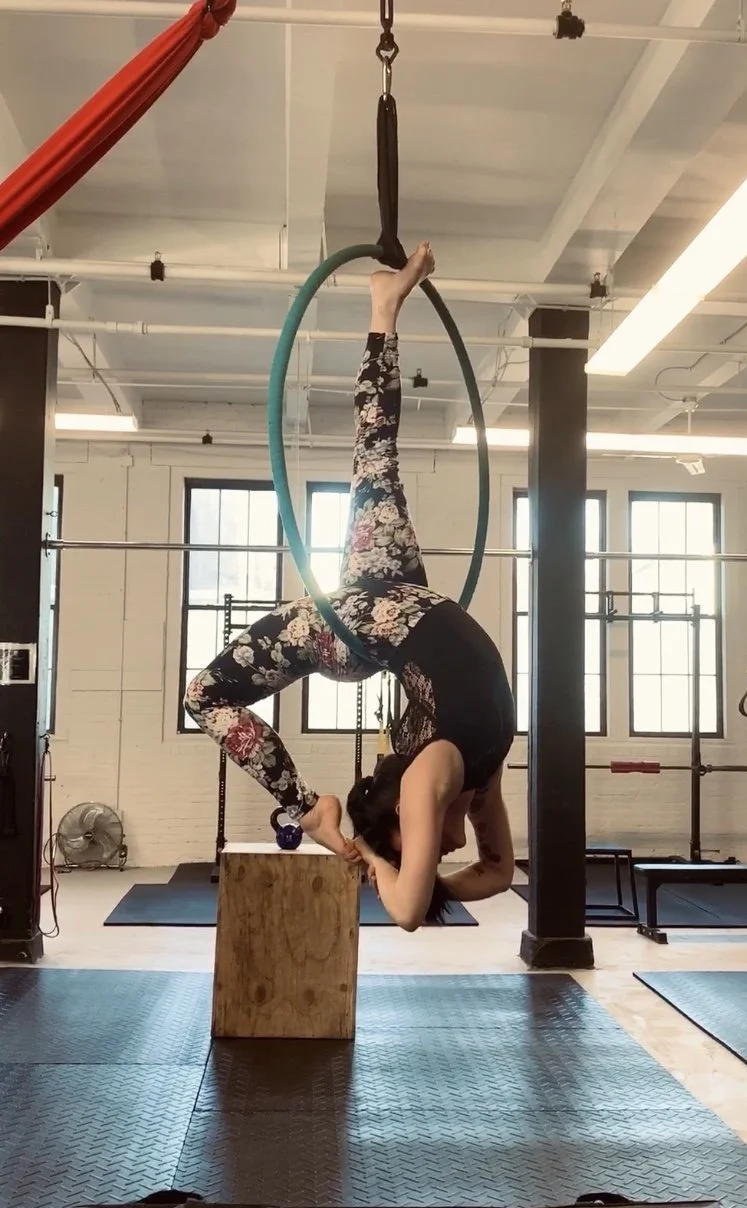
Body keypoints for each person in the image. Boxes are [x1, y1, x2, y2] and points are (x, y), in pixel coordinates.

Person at [185, 242, 516, 930]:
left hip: (361, 631)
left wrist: (370, 854)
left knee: (205, 695)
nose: (430, 852)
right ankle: (383, 308)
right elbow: (497, 873)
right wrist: (416, 877)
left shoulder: (428, 779)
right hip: (396, 590)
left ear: (400, 816)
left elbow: (405, 912)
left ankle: (309, 808)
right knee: (375, 452)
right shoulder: (480, 784)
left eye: (409, 846)